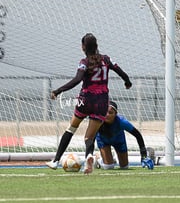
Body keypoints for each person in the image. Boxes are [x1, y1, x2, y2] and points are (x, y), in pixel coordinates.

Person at [46, 33, 132, 174]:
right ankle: (89, 157)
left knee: (71, 129)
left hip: (86, 99)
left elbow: (77, 79)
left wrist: (58, 91)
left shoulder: (84, 62)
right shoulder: (106, 59)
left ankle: (55, 161)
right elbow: (120, 71)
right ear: (97, 46)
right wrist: (127, 82)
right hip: (102, 101)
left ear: (83, 47)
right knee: (89, 137)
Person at [95, 100, 153, 170]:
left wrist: (144, 155)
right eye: (105, 112)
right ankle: (98, 159)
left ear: (115, 114)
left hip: (119, 140)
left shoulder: (122, 122)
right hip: (103, 140)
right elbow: (90, 137)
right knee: (108, 167)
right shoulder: (98, 121)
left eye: (110, 113)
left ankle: (110, 157)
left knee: (124, 167)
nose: (107, 115)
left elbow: (138, 135)